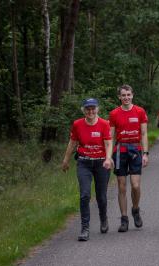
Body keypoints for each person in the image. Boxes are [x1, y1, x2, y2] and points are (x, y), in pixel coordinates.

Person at [62, 98, 113, 241]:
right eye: (87, 109)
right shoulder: (77, 124)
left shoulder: (104, 124)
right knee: (85, 195)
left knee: (101, 196)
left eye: (93, 108)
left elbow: (109, 143)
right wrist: (65, 160)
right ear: (83, 110)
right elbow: (72, 142)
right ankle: (85, 228)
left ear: (97, 109)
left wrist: (108, 159)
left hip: (101, 164)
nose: (90, 111)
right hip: (84, 163)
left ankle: (103, 219)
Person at [109, 84, 149, 232]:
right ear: (119, 97)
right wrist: (109, 156)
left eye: (128, 95)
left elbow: (144, 134)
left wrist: (145, 153)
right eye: (123, 95)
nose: (126, 97)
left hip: (135, 150)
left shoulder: (140, 111)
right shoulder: (114, 114)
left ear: (132, 95)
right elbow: (110, 136)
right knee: (121, 186)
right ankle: (124, 218)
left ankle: (136, 209)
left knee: (135, 185)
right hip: (120, 151)